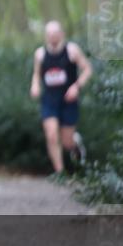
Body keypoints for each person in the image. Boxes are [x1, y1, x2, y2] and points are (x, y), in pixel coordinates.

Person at [30, 20, 92, 173]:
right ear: (45, 36)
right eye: (49, 34)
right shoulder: (40, 54)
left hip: (68, 101)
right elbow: (37, 74)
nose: (52, 37)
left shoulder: (71, 50)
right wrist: (35, 86)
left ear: (61, 34)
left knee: (66, 143)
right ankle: (60, 172)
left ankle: (75, 144)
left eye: (55, 34)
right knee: (51, 135)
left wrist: (76, 87)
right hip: (49, 101)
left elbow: (87, 69)